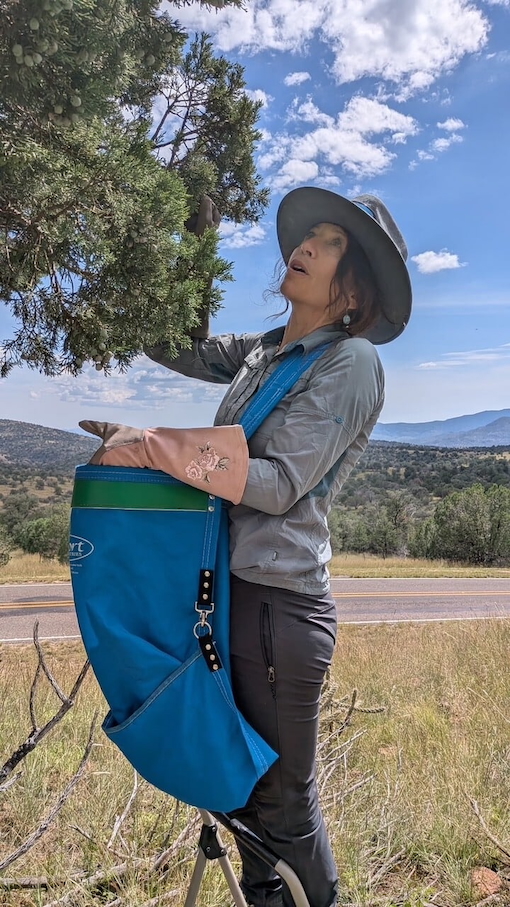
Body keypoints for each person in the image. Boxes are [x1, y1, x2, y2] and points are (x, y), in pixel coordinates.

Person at [82, 187, 412, 907]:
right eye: (310, 235)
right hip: (237, 597)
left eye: (330, 243)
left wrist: (152, 447)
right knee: (244, 791)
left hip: (279, 609)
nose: (307, 246)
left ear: (352, 285)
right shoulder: (263, 352)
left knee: (282, 808)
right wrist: (190, 247)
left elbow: (276, 483)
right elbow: (172, 342)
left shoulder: (349, 362)